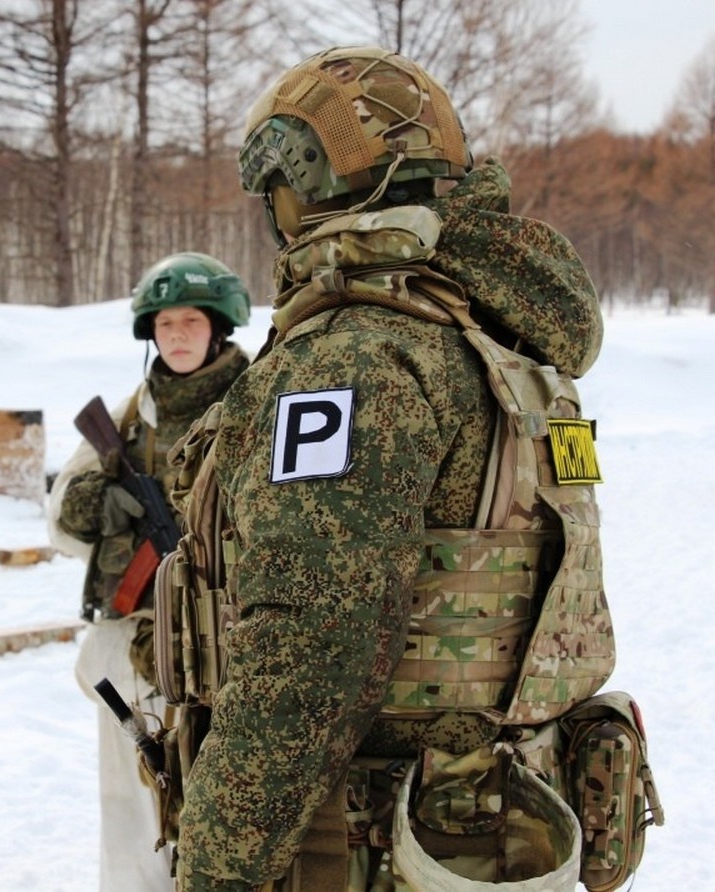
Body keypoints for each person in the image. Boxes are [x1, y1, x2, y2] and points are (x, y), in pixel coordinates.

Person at [173, 46, 615, 890]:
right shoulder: (499, 341)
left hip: (368, 847)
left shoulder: (358, 361)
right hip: (490, 825)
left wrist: (220, 869)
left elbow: (309, 647)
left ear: (299, 187)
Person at [48, 252, 251, 892]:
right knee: (130, 814)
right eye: (166, 323)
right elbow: (59, 521)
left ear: (218, 328)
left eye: (192, 320)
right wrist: (106, 508)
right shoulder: (131, 418)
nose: (179, 334)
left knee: (224, 815)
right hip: (137, 653)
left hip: (230, 648)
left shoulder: (258, 404)